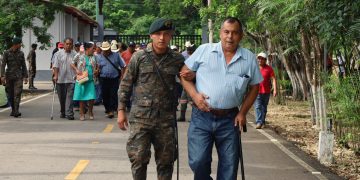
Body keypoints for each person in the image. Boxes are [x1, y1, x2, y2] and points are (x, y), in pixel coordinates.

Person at [180, 17, 263, 179]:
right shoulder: (204, 50)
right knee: (198, 161)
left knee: (229, 167)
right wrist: (195, 96)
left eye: (234, 33)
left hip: (230, 119)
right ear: (220, 33)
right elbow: (184, 75)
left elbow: (255, 87)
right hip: (201, 117)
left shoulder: (249, 58)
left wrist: (243, 113)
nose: (229, 37)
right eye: (226, 32)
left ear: (241, 36)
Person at [117, 18, 185, 180]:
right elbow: (126, 84)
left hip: (165, 120)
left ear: (171, 37)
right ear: (151, 36)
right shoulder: (139, 57)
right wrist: (121, 110)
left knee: (166, 161)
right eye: (158, 34)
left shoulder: (177, 59)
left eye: (166, 34)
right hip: (141, 119)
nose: (162, 38)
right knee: (138, 159)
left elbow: (187, 81)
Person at [0, 37, 29, 117]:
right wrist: (2, 76)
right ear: (16, 44)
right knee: (10, 94)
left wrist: (26, 76)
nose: (21, 45)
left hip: (18, 76)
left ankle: (16, 111)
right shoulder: (6, 53)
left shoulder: (21, 53)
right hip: (9, 76)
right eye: (20, 44)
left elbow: (23, 65)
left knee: (17, 93)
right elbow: (3, 65)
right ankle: (13, 110)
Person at [98, 41, 126, 118]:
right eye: (104, 50)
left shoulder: (116, 55)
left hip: (114, 79)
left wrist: (123, 76)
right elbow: (98, 68)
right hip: (103, 79)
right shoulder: (99, 57)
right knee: (104, 95)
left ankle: (111, 110)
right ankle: (108, 109)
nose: (106, 51)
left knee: (113, 94)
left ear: (110, 48)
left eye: (107, 49)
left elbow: (123, 65)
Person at [71, 42, 98, 121]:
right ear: (87, 49)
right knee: (81, 97)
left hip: (90, 79)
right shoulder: (79, 55)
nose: (94, 50)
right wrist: (77, 70)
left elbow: (97, 66)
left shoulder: (94, 56)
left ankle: (90, 112)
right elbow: (72, 63)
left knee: (92, 97)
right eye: (92, 48)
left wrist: (97, 70)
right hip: (82, 78)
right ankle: (82, 113)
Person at [52, 38, 77, 120]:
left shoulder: (75, 54)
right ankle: (63, 112)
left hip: (71, 79)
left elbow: (78, 64)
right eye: (67, 44)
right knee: (62, 98)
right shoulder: (58, 54)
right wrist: (55, 75)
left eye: (70, 44)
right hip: (61, 79)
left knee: (70, 97)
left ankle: (69, 113)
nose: (68, 45)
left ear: (72, 45)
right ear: (64, 44)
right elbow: (55, 66)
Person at [254, 52, 277, 129]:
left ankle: (262, 121)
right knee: (257, 106)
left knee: (264, 108)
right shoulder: (255, 67)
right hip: (256, 91)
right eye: (259, 58)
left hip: (266, 91)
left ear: (265, 60)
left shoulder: (269, 69)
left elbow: (273, 79)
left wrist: (275, 89)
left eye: (262, 59)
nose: (260, 60)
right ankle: (259, 122)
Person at [177, 44, 196, 122]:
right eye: (188, 50)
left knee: (193, 101)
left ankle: (193, 118)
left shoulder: (197, 58)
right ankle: (182, 116)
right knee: (183, 100)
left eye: (191, 50)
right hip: (185, 84)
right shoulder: (185, 57)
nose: (189, 52)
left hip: (194, 84)